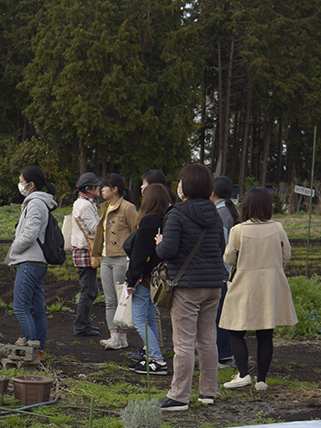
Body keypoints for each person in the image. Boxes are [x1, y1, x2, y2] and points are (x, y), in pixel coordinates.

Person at [154, 164, 226, 411]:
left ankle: (179, 396)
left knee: (183, 341)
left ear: (186, 186)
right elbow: (220, 246)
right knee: (207, 339)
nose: (178, 185)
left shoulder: (177, 213)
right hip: (214, 284)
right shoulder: (214, 213)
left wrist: (159, 242)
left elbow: (168, 250)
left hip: (187, 286)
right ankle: (208, 392)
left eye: (180, 181)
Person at [219, 187, 297, 391]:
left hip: (244, 283)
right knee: (265, 333)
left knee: (235, 329)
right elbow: (286, 255)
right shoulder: (278, 227)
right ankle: (261, 380)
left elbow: (229, 258)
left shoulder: (238, 230)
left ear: (246, 206)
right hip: (270, 285)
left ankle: (243, 374)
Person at [4, 166, 57, 359]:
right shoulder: (40, 202)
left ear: (31, 184)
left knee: (20, 306)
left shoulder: (35, 203)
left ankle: (31, 350)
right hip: (38, 261)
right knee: (37, 308)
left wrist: (13, 250)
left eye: (21, 181)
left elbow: (30, 234)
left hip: (30, 260)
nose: (20, 185)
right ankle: (39, 350)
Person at [124, 183, 171, 375]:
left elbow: (139, 254)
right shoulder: (166, 220)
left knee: (139, 319)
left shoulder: (147, 222)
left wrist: (130, 279)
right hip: (158, 277)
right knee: (150, 318)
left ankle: (156, 358)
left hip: (143, 277)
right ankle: (153, 357)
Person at [91, 173, 137, 350]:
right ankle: (114, 337)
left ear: (115, 189)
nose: (101, 189)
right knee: (110, 299)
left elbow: (135, 232)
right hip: (106, 257)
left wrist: (130, 258)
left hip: (121, 257)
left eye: (104, 186)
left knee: (122, 298)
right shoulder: (106, 206)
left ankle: (123, 336)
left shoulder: (128, 207)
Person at [211, 176, 239, 367]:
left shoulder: (220, 214)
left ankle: (223, 356)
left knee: (219, 315)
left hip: (222, 273)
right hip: (229, 273)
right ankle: (225, 354)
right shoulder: (230, 211)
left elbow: (222, 247)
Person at [70, 171, 101, 337]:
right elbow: (95, 229)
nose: (99, 188)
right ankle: (81, 325)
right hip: (85, 250)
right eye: (96, 185)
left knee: (90, 289)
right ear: (89, 188)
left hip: (82, 250)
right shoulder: (85, 205)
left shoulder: (83, 203)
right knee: (88, 290)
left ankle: (83, 323)